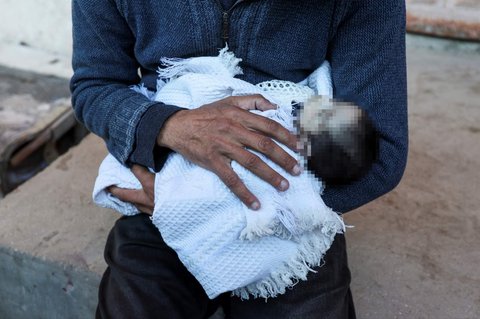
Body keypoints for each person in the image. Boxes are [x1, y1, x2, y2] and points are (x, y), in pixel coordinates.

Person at [70, 0, 408, 318]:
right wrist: (168, 125)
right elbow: (96, 85)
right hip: (169, 184)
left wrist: (208, 206)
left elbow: (382, 151)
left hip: (288, 211)